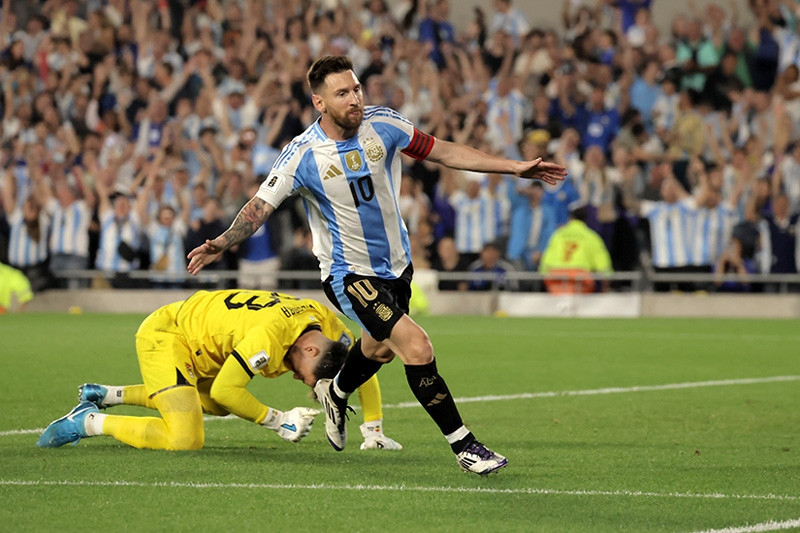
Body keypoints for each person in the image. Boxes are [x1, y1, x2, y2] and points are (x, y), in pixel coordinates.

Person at [187, 55, 567, 475]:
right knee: (416, 346)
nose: (355, 99)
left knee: (378, 348)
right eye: (343, 93)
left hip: (396, 265)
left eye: (356, 89)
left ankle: (335, 391)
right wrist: (221, 243)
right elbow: (260, 207)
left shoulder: (384, 124)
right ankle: (466, 446)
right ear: (319, 102)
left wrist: (513, 166)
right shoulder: (301, 155)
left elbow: (442, 151)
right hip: (348, 274)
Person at [37, 289, 402, 452]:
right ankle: (87, 422)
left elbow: (362, 364)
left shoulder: (325, 324)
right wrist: (278, 420)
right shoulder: (269, 338)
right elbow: (229, 389)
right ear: (310, 349)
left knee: (213, 405)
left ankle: (107, 395)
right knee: (185, 438)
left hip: (201, 339)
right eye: (307, 376)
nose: (297, 379)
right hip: (170, 337)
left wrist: (373, 428)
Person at [539, 206, 613, 294]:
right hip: (580, 279)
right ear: (585, 220)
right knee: (580, 305)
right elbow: (602, 262)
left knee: (559, 303)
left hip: (556, 277)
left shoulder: (558, 234)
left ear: (570, 218)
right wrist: (606, 284)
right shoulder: (591, 236)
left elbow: (547, 258)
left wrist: (542, 276)